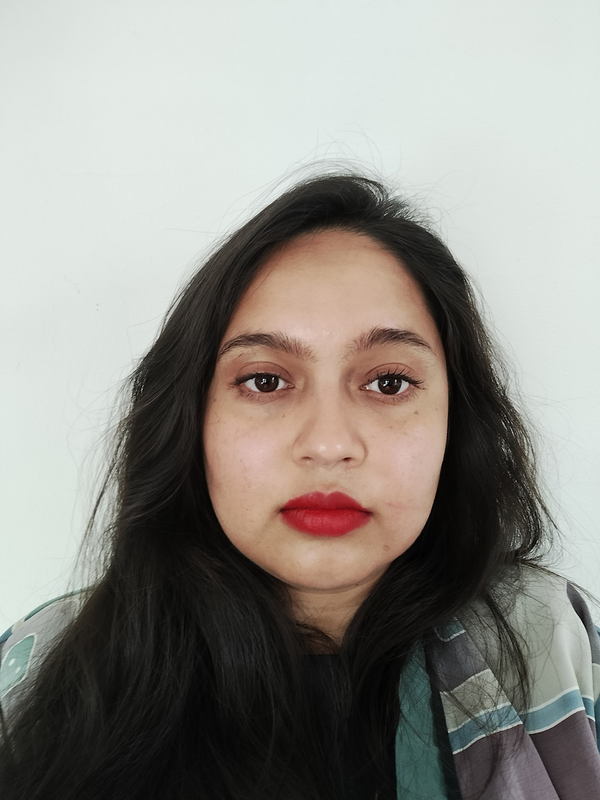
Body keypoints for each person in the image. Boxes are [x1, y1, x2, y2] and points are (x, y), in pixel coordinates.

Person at [0, 173, 599, 800]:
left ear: (457, 422)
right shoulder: (38, 671)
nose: (328, 444)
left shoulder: (558, 641)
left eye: (389, 382)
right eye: (265, 381)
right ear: (191, 419)